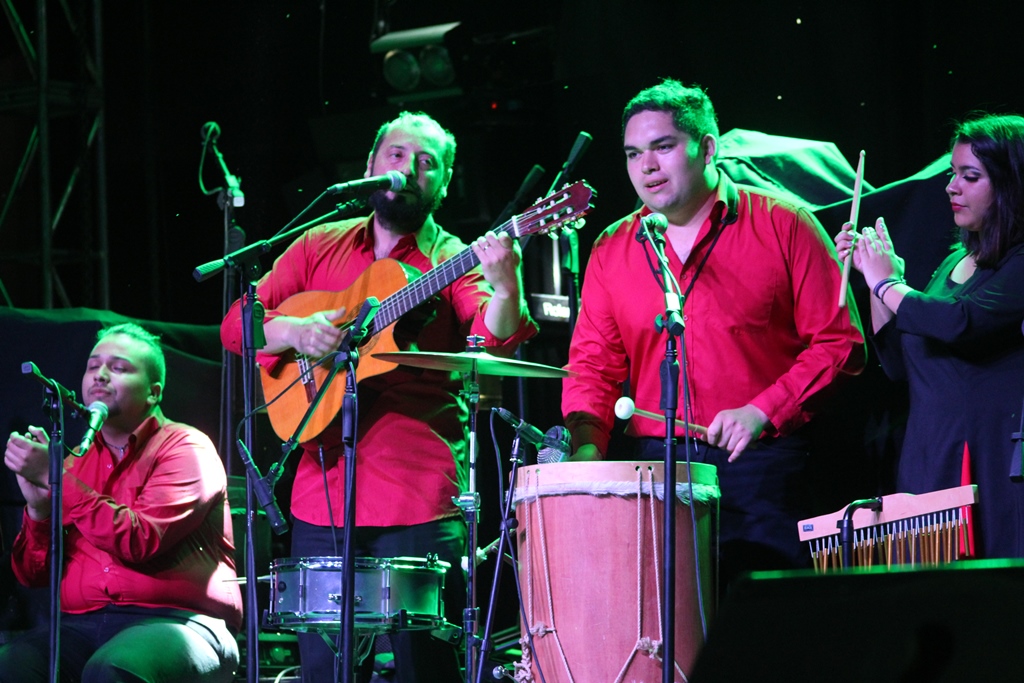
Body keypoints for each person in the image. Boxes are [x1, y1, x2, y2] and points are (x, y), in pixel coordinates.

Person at [220, 111, 537, 683]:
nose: (409, 169)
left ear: (445, 183)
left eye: (427, 162)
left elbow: (493, 340)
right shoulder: (318, 244)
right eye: (397, 155)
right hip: (321, 494)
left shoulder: (452, 259)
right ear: (370, 165)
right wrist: (296, 332)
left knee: (425, 671)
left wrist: (507, 284)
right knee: (325, 672)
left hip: (416, 497)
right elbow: (237, 324)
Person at [562, 79, 866, 587]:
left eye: (662, 147)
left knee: (763, 622)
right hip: (653, 465)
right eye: (633, 154)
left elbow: (841, 344)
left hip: (762, 463)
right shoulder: (613, 247)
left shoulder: (786, 224)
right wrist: (587, 446)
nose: (646, 166)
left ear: (707, 148)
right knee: (665, 624)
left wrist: (762, 410)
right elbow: (593, 365)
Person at [0, 323, 242, 683]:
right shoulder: (74, 464)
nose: (100, 374)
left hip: (179, 622)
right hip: (81, 625)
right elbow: (32, 576)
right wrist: (38, 510)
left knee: (115, 667)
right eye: (93, 365)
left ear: (153, 392)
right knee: (10, 666)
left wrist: (57, 478)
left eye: (119, 367)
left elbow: (140, 539)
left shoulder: (186, 447)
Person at [835, 113, 1024, 558]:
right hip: (931, 453)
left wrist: (887, 284)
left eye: (970, 176)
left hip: (988, 457)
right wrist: (878, 280)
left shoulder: (1018, 263)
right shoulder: (953, 262)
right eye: (952, 174)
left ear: (1011, 184)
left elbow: (961, 322)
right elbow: (900, 363)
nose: (951, 187)